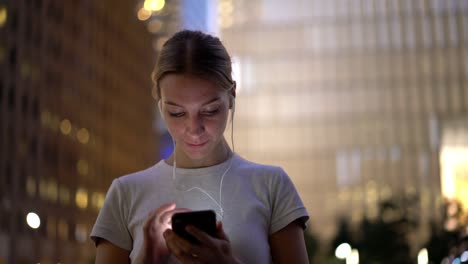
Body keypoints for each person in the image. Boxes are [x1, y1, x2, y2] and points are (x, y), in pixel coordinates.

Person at [91, 30, 310, 264]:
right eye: (177, 113)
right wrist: (148, 258)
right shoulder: (125, 193)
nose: (194, 128)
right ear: (160, 105)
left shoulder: (272, 186)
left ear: (232, 95)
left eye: (210, 110)